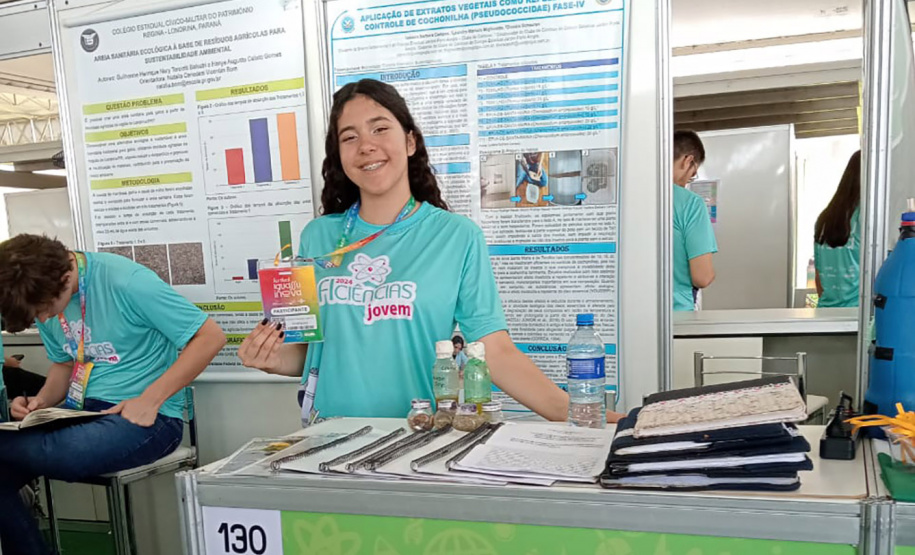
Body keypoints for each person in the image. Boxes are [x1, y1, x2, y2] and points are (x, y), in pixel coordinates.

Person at [238, 79, 623, 424]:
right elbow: (307, 353)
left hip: (416, 437)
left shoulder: (457, 237)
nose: (366, 145)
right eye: (349, 137)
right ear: (339, 154)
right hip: (328, 440)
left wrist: (581, 414)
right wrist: (270, 358)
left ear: (410, 141)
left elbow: (496, 352)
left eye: (380, 128)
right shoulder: (318, 237)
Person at [0, 234, 226, 555]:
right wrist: (42, 401)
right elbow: (65, 365)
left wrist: (150, 399)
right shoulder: (43, 297)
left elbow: (210, 337)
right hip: (81, 412)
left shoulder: (127, 281)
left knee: (66, 453)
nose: (44, 319)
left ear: (64, 277)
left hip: (150, 417)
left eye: (45, 309)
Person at [672, 130, 717, 311]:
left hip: (633, 315)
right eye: (693, 174)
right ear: (687, 161)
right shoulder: (691, 203)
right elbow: (702, 277)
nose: (688, 182)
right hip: (676, 314)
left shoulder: (630, 197)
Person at [814, 150, 861, 308]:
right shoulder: (868, 217)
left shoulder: (824, 218)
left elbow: (819, 279)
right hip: (857, 314)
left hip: (825, 313)